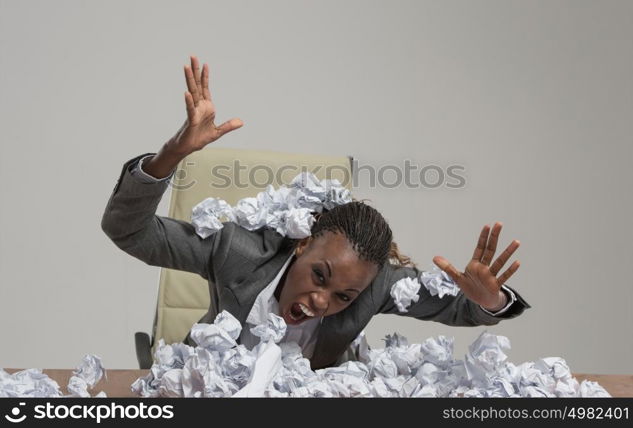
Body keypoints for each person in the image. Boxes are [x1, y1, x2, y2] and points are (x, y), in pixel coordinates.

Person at [101, 55, 531, 370]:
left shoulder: (376, 284)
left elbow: (462, 308)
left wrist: (488, 301)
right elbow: (128, 230)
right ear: (303, 243)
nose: (322, 301)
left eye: (343, 296)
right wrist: (170, 156)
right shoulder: (237, 252)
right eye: (320, 276)